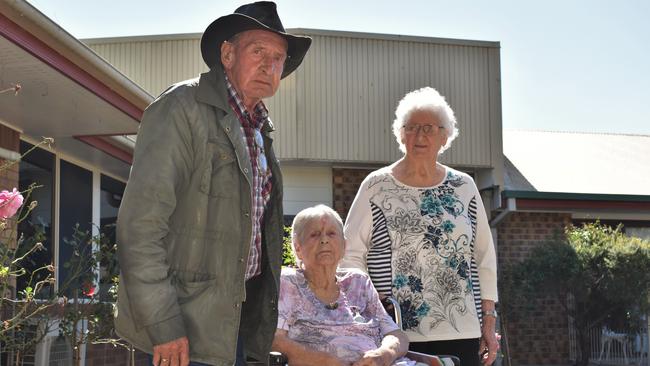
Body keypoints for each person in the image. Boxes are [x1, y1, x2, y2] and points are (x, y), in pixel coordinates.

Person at [114, 2, 311, 365]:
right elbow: (139, 227)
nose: (269, 65)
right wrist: (163, 322)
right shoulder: (181, 108)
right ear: (227, 54)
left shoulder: (259, 128)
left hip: (234, 324)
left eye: (278, 57)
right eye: (258, 51)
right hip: (182, 332)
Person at [340, 87, 499, 366]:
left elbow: (483, 257)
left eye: (428, 128)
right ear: (400, 134)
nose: (419, 136)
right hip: (395, 331)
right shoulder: (376, 186)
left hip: (462, 328)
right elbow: (350, 254)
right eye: (411, 127)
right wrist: (369, 305)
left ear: (445, 136)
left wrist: (488, 319)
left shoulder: (465, 186)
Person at [272, 205, 415, 366]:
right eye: (314, 235)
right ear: (298, 248)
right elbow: (276, 340)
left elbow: (396, 334)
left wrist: (384, 354)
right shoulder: (288, 283)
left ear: (344, 246)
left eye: (331, 234)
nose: (324, 239)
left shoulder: (358, 281)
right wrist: (323, 361)